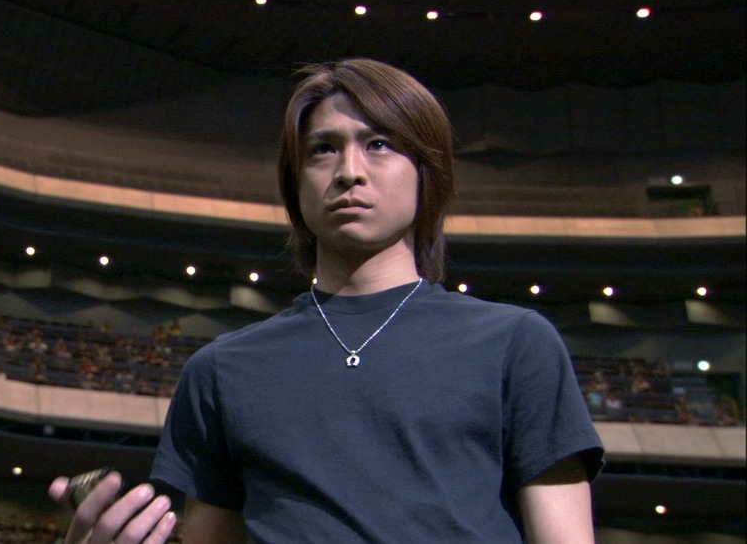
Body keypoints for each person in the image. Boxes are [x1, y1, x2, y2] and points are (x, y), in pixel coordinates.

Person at [49, 58, 604, 543]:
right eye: (323, 149)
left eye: (379, 144)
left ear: (426, 174)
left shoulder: (515, 343)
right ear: (295, 185)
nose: (349, 172)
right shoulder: (220, 370)